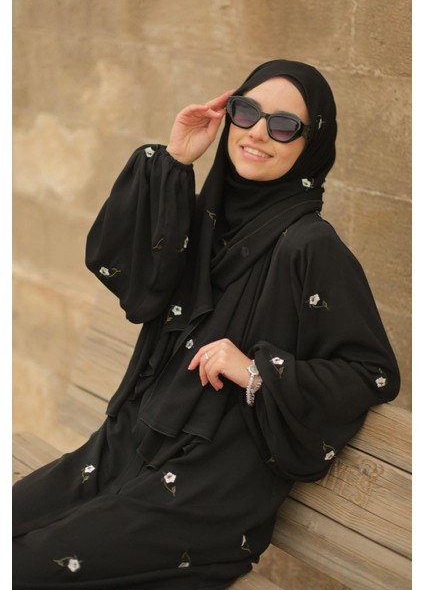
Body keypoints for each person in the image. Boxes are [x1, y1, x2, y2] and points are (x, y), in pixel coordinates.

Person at [12, 59, 400, 589]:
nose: (257, 132)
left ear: (312, 144)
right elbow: (134, 284)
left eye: (283, 125)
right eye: (246, 112)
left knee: (25, 567)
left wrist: (257, 371)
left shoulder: (311, 246)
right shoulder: (205, 219)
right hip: (124, 448)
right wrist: (175, 160)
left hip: (205, 488)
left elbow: (371, 372)